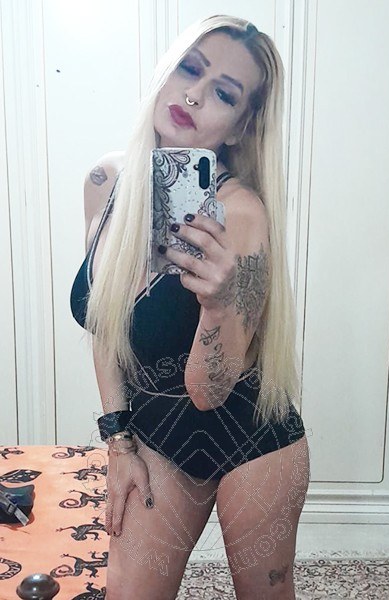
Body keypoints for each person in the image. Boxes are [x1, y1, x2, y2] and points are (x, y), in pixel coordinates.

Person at [70, 14, 310, 600]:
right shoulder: (104, 183)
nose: (195, 94)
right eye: (190, 69)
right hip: (157, 433)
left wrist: (219, 306)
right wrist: (118, 443)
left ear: (240, 125)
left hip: (251, 435)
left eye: (224, 93)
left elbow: (210, 392)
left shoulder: (241, 214)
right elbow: (105, 327)